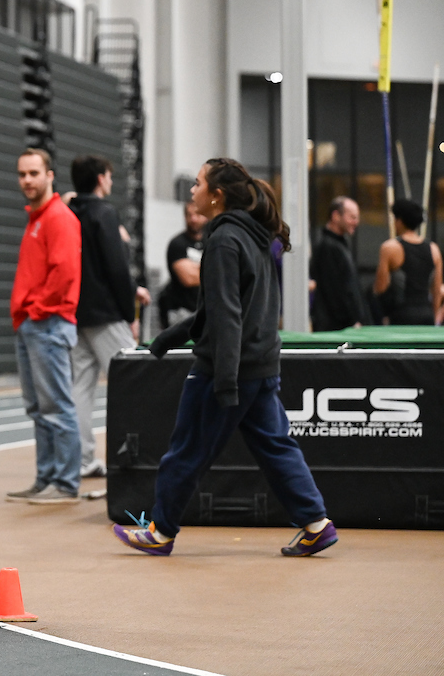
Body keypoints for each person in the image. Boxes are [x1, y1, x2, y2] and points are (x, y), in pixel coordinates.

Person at [114, 158, 336, 557]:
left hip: (226, 368)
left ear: (216, 196)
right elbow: (221, 310)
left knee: (186, 449)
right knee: (276, 446)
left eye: (198, 184)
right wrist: (168, 338)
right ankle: (316, 524)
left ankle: (161, 531)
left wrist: (225, 380)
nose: (193, 191)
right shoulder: (253, 236)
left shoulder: (223, 240)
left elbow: (227, 316)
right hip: (262, 366)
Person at [4, 147, 83, 504]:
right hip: (34, 323)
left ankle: (65, 483)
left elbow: (65, 272)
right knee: (39, 408)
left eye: (34, 173)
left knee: (56, 407)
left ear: (50, 175)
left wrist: (37, 309)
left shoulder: (58, 218)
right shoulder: (36, 218)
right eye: (22, 174)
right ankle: (47, 477)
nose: (27, 180)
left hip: (48, 322)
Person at [67, 155, 150, 478]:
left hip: (75, 313)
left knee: (80, 389)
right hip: (106, 313)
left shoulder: (67, 212)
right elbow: (116, 268)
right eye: (110, 177)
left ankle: (82, 460)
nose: (112, 183)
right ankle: (137, 454)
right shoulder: (104, 213)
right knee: (132, 382)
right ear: (101, 179)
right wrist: (129, 310)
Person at [373, 199, 442, 326]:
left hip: (401, 316)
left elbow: (380, 287)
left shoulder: (389, 248)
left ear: (399, 221)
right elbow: (437, 291)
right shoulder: (434, 249)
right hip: (426, 314)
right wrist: (433, 317)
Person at [309, 196, 368, 331]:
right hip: (337, 329)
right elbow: (334, 291)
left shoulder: (338, 245)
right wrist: (352, 320)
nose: (356, 222)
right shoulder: (328, 247)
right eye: (352, 217)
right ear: (336, 216)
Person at [158, 200, 206, 329]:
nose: (193, 219)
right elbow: (188, 279)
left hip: (204, 310)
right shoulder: (177, 244)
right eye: (189, 215)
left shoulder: (211, 241)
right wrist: (214, 270)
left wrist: (197, 268)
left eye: (197, 214)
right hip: (181, 312)